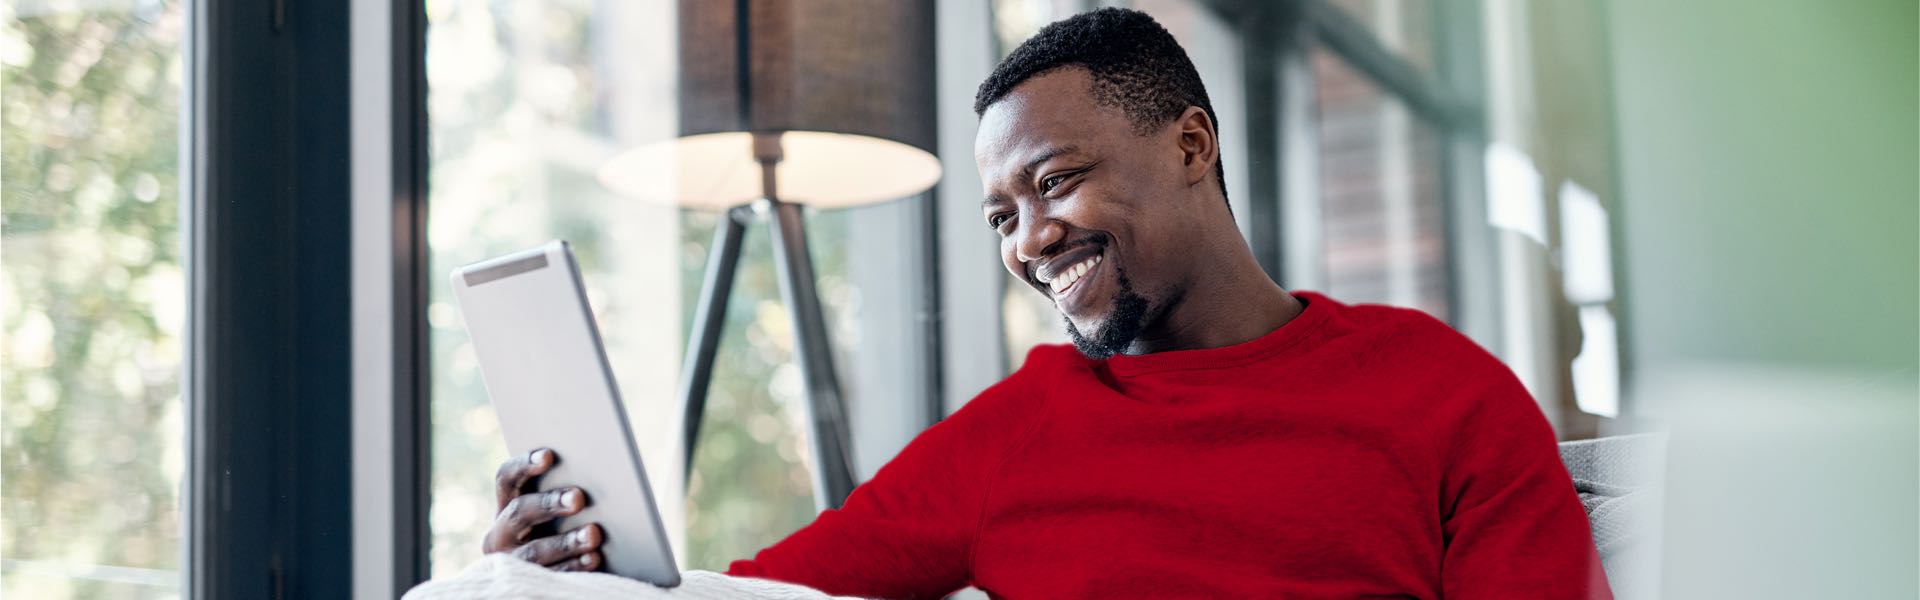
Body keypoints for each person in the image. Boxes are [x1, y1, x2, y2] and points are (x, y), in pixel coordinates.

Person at [481, 8, 1612, 599]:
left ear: (1191, 145)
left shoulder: (1438, 389)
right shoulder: (1014, 433)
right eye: (999, 216)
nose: (1030, 240)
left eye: (1055, 181)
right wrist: (559, 570)